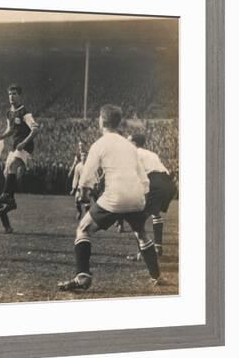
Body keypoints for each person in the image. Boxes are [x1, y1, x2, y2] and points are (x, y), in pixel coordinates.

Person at [58, 105, 161, 291]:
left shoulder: (99, 144)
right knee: (141, 233)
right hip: (137, 196)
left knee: (83, 229)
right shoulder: (130, 146)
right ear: (117, 122)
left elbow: (88, 172)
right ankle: (156, 274)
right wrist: (142, 199)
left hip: (115, 197)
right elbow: (144, 179)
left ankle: (82, 276)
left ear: (101, 120)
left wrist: (83, 191)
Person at [0, 85, 40, 233]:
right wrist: (1, 136)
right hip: (14, 147)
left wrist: (24, 142)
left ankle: (7, 196)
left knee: (13, 166)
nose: (12, 96)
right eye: (10, 94)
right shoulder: (9, 113)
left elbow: (35, 129)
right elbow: (10, 129)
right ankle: (10, 202)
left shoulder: (25, 112)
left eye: (14, 94)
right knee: (7, 174)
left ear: (20, 96)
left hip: (24, 147)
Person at [127, 133, 177, 260]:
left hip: (154, 182)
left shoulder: (133, 153)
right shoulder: (152, 153)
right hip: (168, 184)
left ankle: (143, 254)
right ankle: (158, 247)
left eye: (128, 141)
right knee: (155, 213)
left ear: (133, 143)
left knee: (136, 219)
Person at [70, 151, 89, 220]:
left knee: (87, 201)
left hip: (88, 186)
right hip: (80, 186)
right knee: (76, 199)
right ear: (80, 157)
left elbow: (94, 175)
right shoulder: (78, 166)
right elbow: (75, 177)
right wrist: (73, 188)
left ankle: (87, 215)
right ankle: (79, 212)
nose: (84, 157)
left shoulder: (90, 165)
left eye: (85, 156)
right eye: (82, 156)